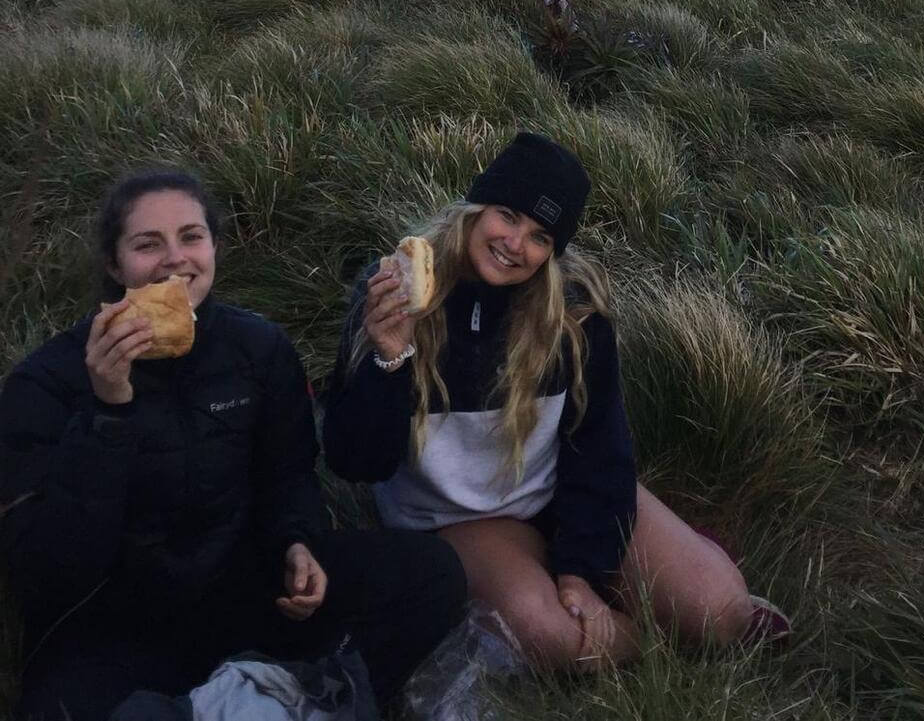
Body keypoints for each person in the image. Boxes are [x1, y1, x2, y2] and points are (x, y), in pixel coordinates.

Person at [0, 168, 467, 721]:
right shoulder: (47, 381)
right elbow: (52, 573)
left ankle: (251, 694)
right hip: (115, 624)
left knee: (430, 573)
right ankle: (256, 698)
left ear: (214, 247)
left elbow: (288, 474)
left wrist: (297, 544)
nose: (175, 260)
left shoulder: (258, 348)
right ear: (113, 263)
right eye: (148, 244)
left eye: (191, 237)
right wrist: (108, 411)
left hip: (241, 590)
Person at [323, 133, 790, 671]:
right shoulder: (393, 291)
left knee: (720, 612)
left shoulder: (575, 313)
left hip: (554, 492)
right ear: (476, 209)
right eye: (507, 215)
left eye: (540, 235)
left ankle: (687, 605)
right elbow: (356, 461)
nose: (515, 244)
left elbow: (599, 445)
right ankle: (659, 647)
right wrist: (391, 360)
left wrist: (581, 572)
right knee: (558, 638)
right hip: (456, 517)